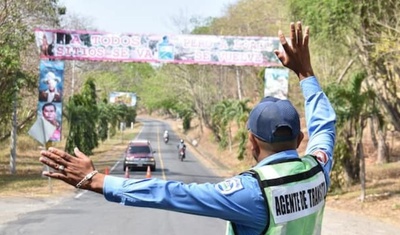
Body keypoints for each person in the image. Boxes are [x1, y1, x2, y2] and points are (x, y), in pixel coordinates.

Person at [39, 21, 336, 234]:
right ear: (299, 139)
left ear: (252, 142)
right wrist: (305, 72)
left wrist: (99, 181)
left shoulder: (253, 191)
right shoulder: (317, 168)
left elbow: (173, 193)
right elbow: (324, 125)